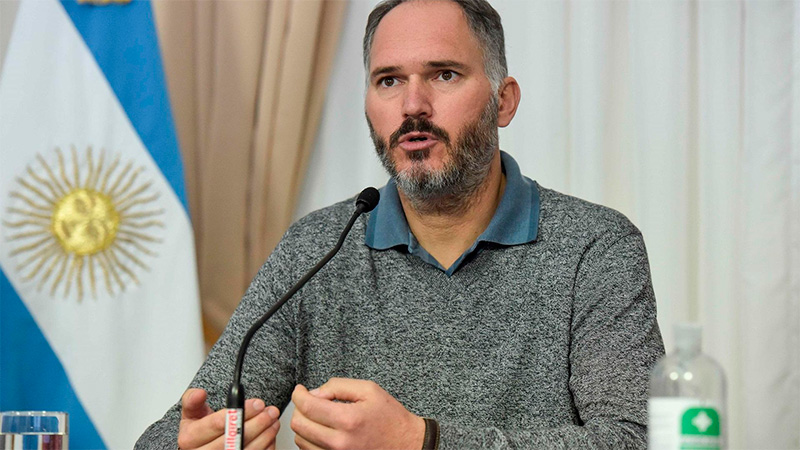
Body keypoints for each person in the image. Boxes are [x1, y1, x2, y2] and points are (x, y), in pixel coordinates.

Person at [136, 0, 664, 449]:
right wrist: (192, 444)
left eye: (444, 74)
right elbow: (175, 430)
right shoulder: (318, 248)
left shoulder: (595, 247)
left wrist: (422, 440)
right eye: (389, 80)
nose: (413, 106)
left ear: (503, 102)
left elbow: (635, 439)